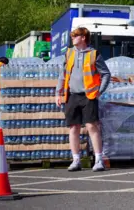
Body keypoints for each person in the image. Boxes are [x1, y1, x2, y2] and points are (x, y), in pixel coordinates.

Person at [55, 27, 111, 172]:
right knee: (74, 128)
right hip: (72, 95)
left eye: (75, 36)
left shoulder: (93, 54)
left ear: (83, 38)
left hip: (88, 96)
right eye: (72, 36)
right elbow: (63, 74)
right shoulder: (69, 53)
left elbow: (106, 74)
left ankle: (99, 160)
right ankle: (76, 160)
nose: (72, 38)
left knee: (92, 126)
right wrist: (58, 93)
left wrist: (100, 91)